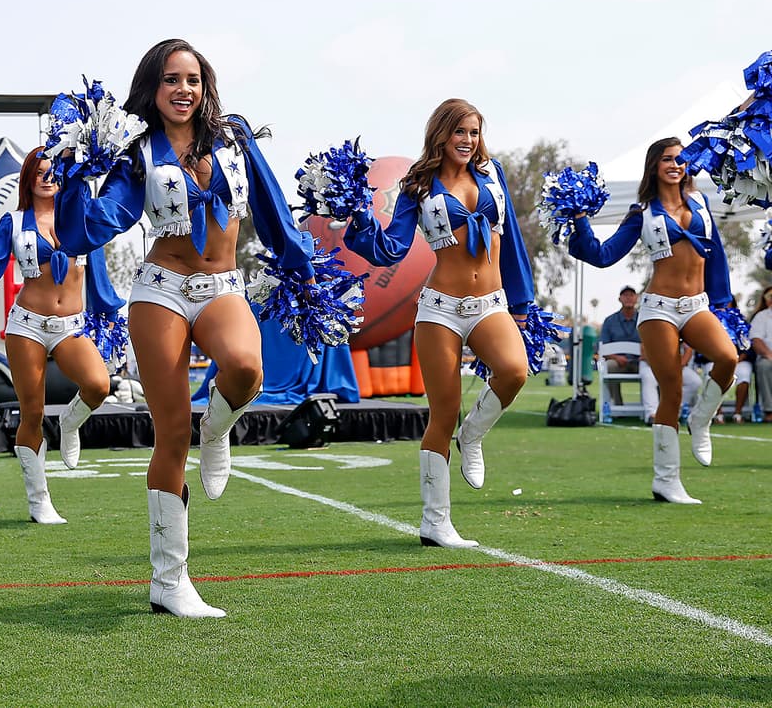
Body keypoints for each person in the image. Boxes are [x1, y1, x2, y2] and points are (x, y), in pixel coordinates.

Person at [55, 38, 316, 618]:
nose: (183, 90)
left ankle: (218, 430)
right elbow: (92, 228)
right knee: (170, 433)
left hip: (222, 286)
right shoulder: (136, 154)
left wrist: (303, 265)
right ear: (152, 88)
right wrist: (74, 175)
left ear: (206, 87)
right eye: (171, 79)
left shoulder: (233, 139)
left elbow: (271, 207)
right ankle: (169, 582)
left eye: (193, 79)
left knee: (246, 368)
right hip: (160, 290)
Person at [341, 98, 534, 549]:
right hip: (440, 308)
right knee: (442, 413)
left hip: (491, 302)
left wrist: (522, 303)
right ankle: (435, 522)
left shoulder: (493, 174)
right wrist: (359, 219)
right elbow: (391, 249)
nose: (468, 141)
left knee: (514, 371)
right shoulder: (417, 186)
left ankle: (475, 434)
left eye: (474, 132)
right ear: (441, 135)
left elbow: (516, 242)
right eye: (459, 132)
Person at [0, 148, 120, 524]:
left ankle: (71, 422)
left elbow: (100, 270)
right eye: (38, 172)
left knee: (98, 385)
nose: (47, 177)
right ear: (28, 179)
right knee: (32, 412)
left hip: (70, 325)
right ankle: (39, 500)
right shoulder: (13, 221)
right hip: (27, 325)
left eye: (53, 170)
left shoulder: (82, 216)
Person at [569, 137, 738, 503]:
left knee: (728, 358)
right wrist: (580, 219)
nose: (675, 165)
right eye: (667, 159)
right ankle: (666, 480)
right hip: (658, 307)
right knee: (672, 388)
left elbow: (717, 254)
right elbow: (603, 255)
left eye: (680, 159)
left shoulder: (701, 203)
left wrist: (723, 303)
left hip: (697, 305)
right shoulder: (641, 213)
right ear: (654, 166)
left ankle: (700, 419)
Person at [599, 286, 641, 406]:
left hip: (640, 361)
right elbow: (603, 347)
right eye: (625, 295)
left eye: (631, 295)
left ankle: (653, 407)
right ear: (619, 299)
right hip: (618, 362)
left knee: (654, 369)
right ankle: (617, 404)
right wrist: (616, 357)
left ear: (636, 298)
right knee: (609, 366)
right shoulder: (610, 321)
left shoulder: (644, 319)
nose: (628, 298)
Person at [747, 284, 772, 422]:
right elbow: (756, 340)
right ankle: (770, 410)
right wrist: (769, 355)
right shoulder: (761, 317)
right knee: (764, 366)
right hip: (767, 356)